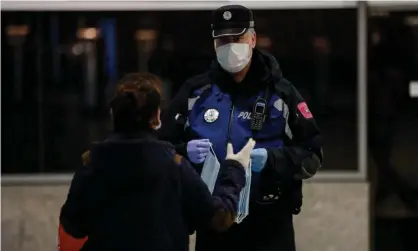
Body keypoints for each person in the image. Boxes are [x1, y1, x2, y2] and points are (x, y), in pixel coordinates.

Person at [159, 5, 323, 251]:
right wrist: (184, 151)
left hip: (270, 226)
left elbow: (313, 154)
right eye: (223, 40)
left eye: (237, 38)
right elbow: (160, 151)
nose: (230, 46)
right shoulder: (195, 93)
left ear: (253, 39)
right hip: (215, 224)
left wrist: (272, 160)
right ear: (214, 44)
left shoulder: (281, 94)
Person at [59, 72, 256, 251]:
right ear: (156, 118)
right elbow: (220, 218)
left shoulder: (91, 163)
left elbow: (73, 226)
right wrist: (234, 168)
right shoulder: (174, 165)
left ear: (113, 114)